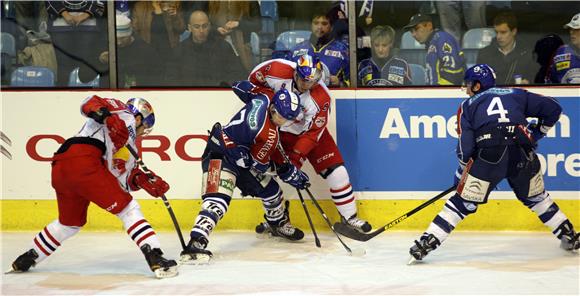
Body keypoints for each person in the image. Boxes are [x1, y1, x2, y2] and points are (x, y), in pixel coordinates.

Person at [409, 64, 580, 263]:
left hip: (490, 157)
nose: (466, 89)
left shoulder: (468, 105)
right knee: (538, 199)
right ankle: (569, 234)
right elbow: (554, 108)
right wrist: (537, 133)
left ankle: (427, 242)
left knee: (461, 203)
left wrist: (462, 174)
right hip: (522, 155)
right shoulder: (517, 93)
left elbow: (466, 148)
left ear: (477, 85)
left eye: (468, 84)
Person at [9, 95, 178, 278]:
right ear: (138, 118)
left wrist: (141, 180)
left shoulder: (130, 148)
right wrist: (108, 118)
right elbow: (88, 103)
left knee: (69, 223)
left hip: (63, 167)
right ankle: (155, 256)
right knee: (128, 209)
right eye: (144, 127)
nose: (142, 133)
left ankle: (28, 257)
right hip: (84, 158)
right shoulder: (122, 111)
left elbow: (117, 178)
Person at [179, 87, 307, 264]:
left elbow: (242, 87)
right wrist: (287, 173)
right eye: (282, 117)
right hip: (221, 155)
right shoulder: (267, 134)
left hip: (237, 154)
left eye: (288, 118)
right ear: (274, 109)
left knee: (271, 191)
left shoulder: (264, 98)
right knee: (217, 201)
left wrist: (287, 168)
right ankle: (196, 242)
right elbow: (260, 164)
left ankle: (276, 224)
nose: (284, 121)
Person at [248, 54, 372, 235]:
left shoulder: (321, 97)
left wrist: (295, 160)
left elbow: (313, 134)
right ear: (296, 73)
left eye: (313, 81)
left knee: (338, 173)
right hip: (279, 130)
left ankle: (349, 218)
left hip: (308, 134)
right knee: (270, 174)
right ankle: (277, 219)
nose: (308, 85)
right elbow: (253, 81)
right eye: (305, 80)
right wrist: (268, 97)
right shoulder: (276, 69)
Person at [171, 10, 244, 87]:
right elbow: (171, 79)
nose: (201, 31)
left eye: (204, 26)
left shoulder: (223, 47)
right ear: (189, 28)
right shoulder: (179, 50)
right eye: (196, 27)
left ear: (209, 26)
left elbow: (237, 75)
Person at [289, 10, 350, 87]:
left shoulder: (342, 51)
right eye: (316, 23)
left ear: (331, 27)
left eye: (324, 23)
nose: (319, 27)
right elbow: (286, 79)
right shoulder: (296, 50)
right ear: (311, 25)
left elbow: (353, 82)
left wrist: (340, 83)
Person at [476, 11, 537, 85]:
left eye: (503, 32)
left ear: (514, 31)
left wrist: (529, 84)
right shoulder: (484, 54)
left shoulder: (528, 54)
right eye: (496, 32)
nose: (498, 37)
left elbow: (535, 80)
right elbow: (477, 82)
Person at [99, 15, 160, 88]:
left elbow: (157, 75)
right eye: (116, 38)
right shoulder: (106, 46)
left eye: (123, 38)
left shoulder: (146, 50)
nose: (119, 42)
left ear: (130, 34)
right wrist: (101, 61)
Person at [403, 13, 465, 85]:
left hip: (445, 94)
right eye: (411, 31)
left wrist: (437, 92)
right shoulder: (433, 42)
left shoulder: (442, 39)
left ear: (429, 26)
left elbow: (454, 73)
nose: (413, 35)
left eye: (416, 29)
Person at [548, 13, 580, 84]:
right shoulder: (561, 52)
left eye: (576, 29)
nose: (571, 32)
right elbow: (549, 82)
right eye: (571, 29)